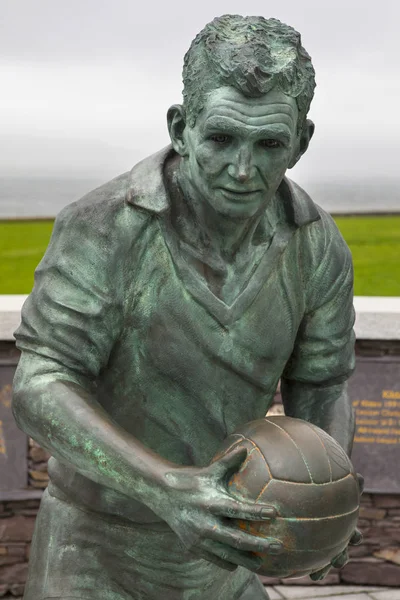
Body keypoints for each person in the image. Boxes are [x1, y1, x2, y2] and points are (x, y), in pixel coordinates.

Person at [12, 15, 361, 600]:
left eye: (270, 144)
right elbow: (40, 383)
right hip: (95, 550)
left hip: (222, 561)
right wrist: (168, 488)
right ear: (182, 127)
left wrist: (329, 495)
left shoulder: (316, 245)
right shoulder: (105, 227)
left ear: (300, 142)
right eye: (221, 138)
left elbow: (321, 389)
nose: (243, 171)